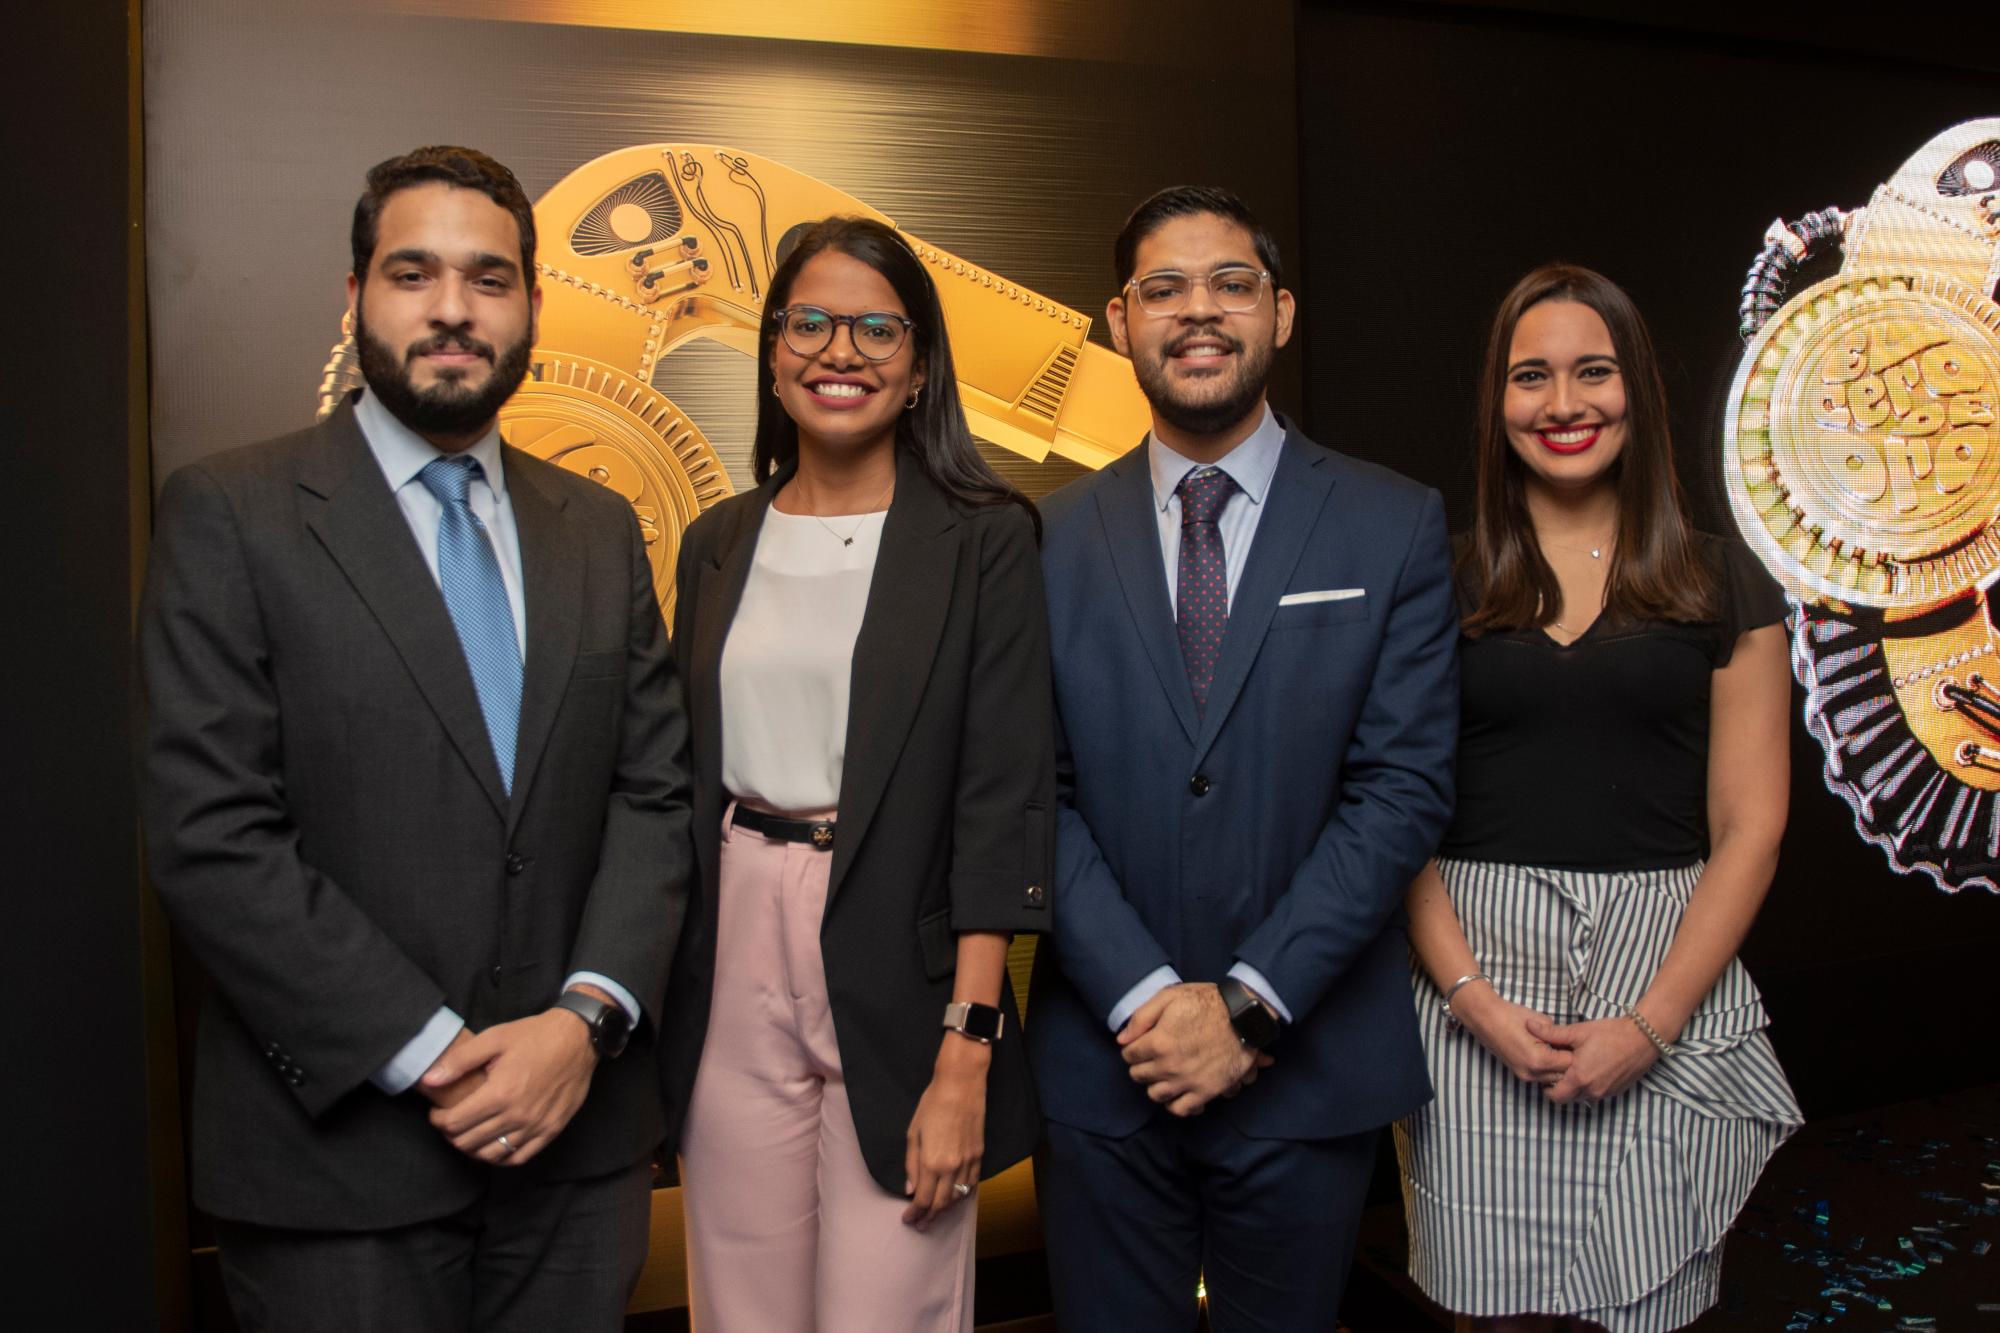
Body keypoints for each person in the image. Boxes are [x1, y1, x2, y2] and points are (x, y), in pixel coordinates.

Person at [136, 146, 694, 1333]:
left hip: (575, 1148)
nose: (452, 309)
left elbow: (655, 794)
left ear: (534, 307)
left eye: (489, 278)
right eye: (414, 273)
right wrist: (436, 1050)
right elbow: (210, 833)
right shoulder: (231, 513)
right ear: (354, 297)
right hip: (338, 1164)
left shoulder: (596, 525)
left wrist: (581, 1021)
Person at [1028, 185, 1458, 1330]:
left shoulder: (1392, 522)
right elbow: (1032, 792)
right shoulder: (1041, 540)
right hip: (1104, 1073)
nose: (1196, 312)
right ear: (1119, 323)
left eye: (1229, 284)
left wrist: (1250, 1005)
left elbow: (1400, 785)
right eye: (1161, 289)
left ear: (1280, 312)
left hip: (1307, 1067)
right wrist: (1148, 999)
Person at [657, 215, 1052, 1332]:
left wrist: (966, 1054)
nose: (842, 351)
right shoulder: (718, 541)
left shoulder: (984, 540)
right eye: (812, 323)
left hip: (905, 966)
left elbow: (1001, 806)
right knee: (737, 1302)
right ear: (773, 351)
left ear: (920, 362)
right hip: (732, 938)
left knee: (893, 1305)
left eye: (878, 327)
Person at [1394, 263, 1804, 1333]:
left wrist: (1650, 1024)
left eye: (1592, 371)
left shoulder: (1724, 581)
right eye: (1530, 376)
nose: (1562, 404)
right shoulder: (1430, 581)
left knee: (1648, 1307)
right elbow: (1397, 816)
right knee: (1486, 1316)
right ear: (1496, 402)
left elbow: (1749, 825)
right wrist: (1471, 1001)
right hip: (1475, 990)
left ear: (1638, 393)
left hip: (1661, 975)